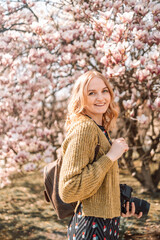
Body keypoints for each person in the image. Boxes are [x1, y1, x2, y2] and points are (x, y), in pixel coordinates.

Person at [59, 70, 142, 240]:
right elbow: (68, 189)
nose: (101, 98)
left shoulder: (99, 130)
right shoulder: (85, 129)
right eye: (91, 93)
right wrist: (110, 157)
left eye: (104, 91)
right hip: (91, 227)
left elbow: (96, 184)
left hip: (106, 224)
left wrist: (117, 206)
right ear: (81, 98)